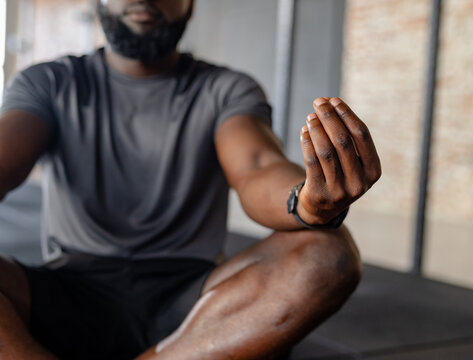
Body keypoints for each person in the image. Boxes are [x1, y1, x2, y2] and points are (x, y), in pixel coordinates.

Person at [0, 0, 381, 359]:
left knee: (328, 254)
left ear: (191, 4)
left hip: (193, 304)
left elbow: (257, 167)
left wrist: (307, 200)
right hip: (68, 289)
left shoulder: (226, 89)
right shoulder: (48, 82)